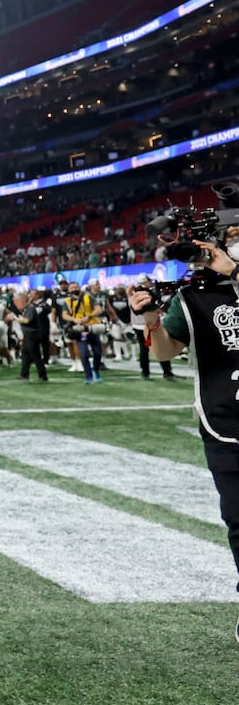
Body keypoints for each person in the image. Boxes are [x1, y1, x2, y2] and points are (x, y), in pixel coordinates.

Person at [131, 229, 239, 643]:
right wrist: (151, 319)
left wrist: (233, 271)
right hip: (225, 420)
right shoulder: (193, 296)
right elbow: (164, 351)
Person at [12, 290, 50, 382]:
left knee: (35, 355)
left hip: (32, 335)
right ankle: (24, 374)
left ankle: (43, 375)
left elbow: (27, 320)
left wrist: (16, 319)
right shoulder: (27, 308)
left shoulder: (30, 308)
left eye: (17, 301)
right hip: (28, 335)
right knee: (25, 355)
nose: (16, 304)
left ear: (24, 300)